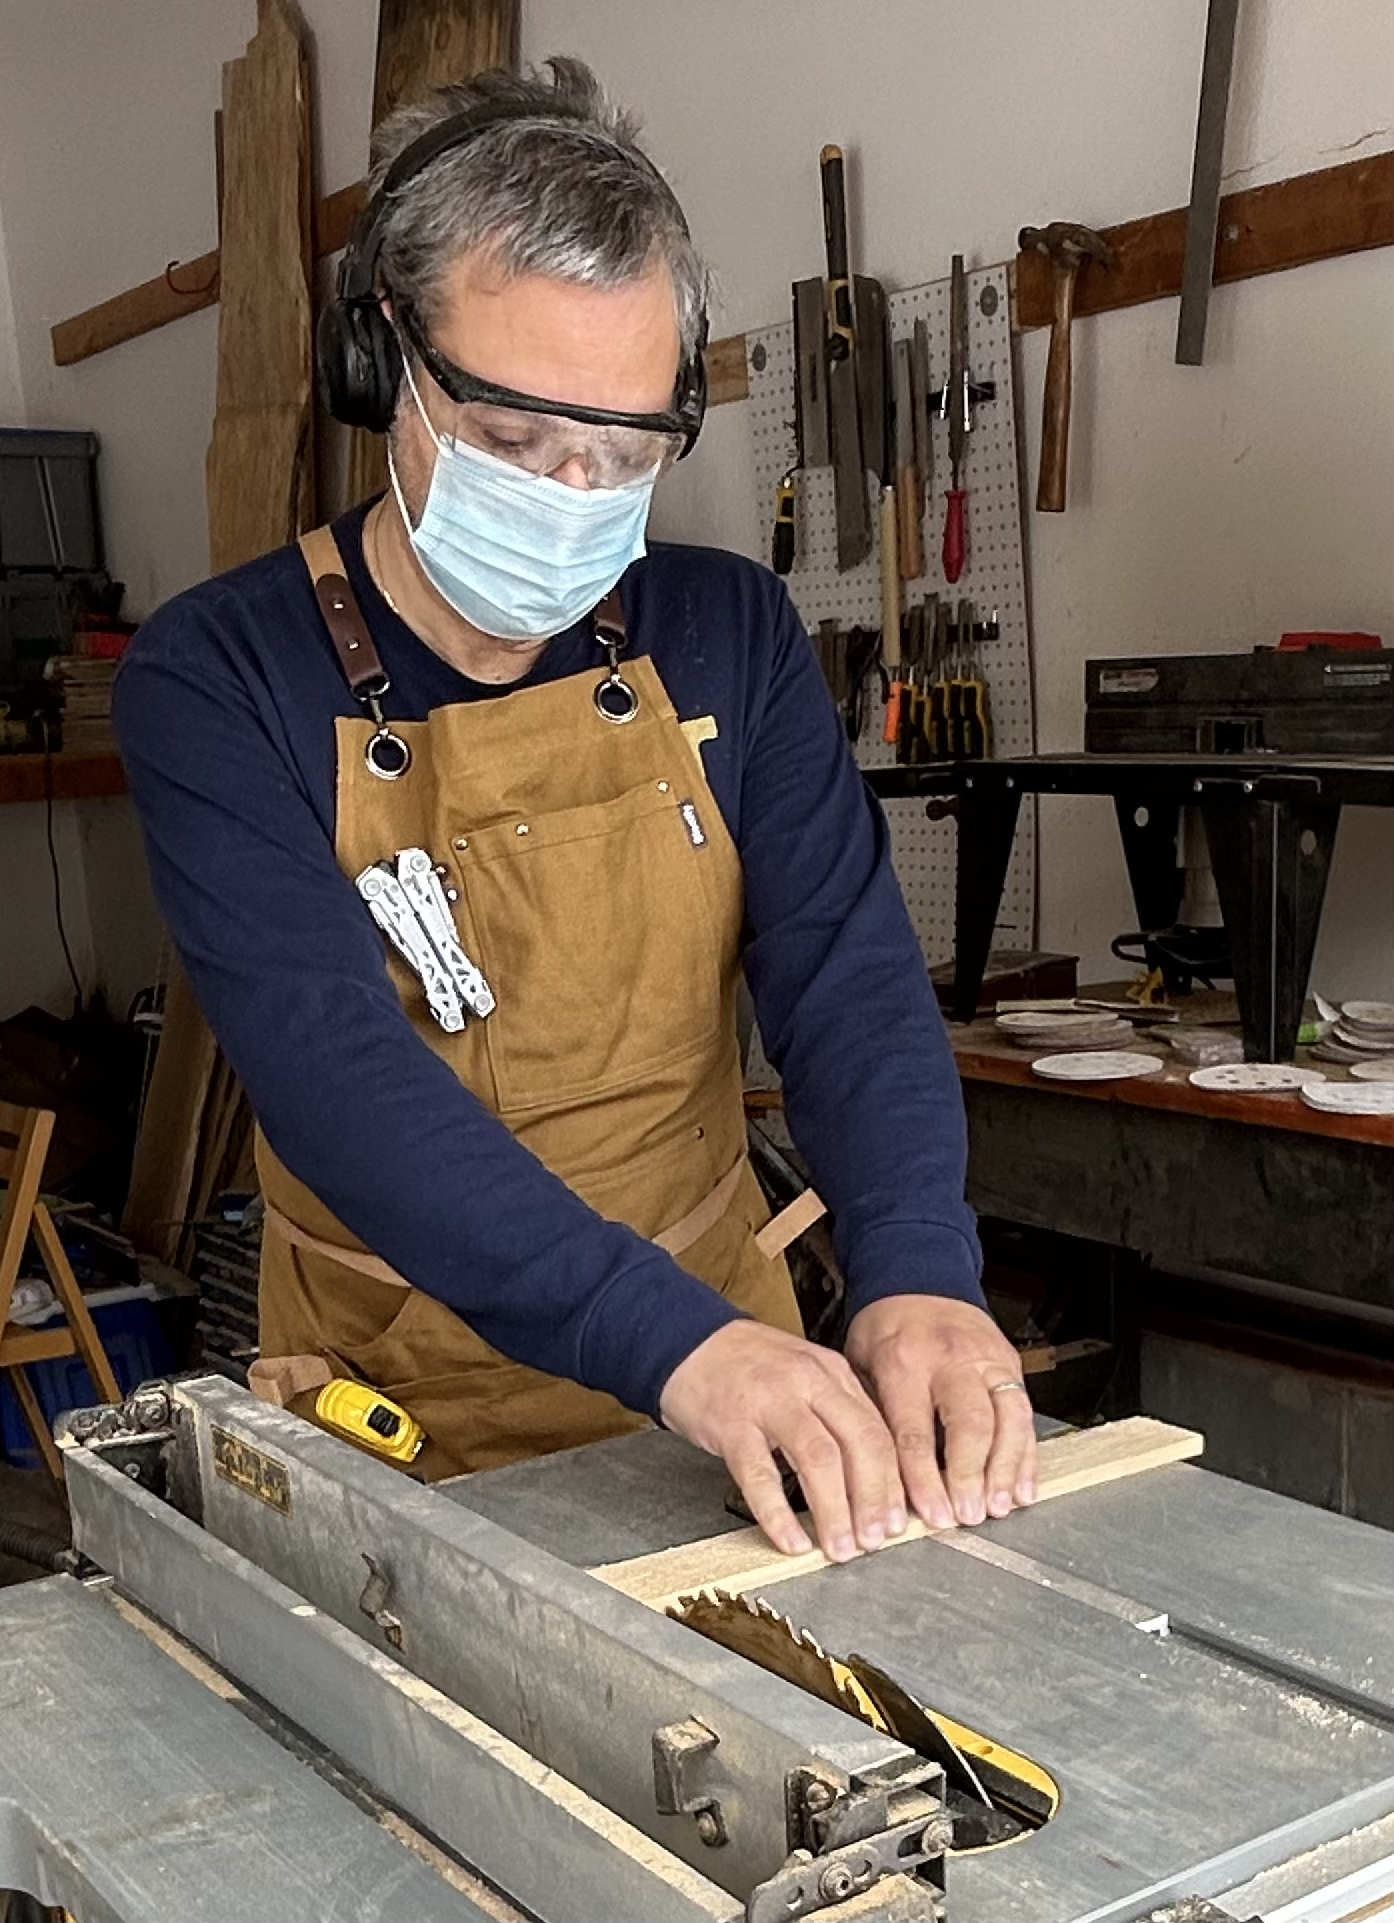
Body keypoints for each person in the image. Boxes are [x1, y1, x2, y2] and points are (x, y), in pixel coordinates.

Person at [114, 57, 1035, 1564]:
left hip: (731, 1403)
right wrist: (673, 1346)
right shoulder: (217, 677)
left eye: (619, 455)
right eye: (513, 442)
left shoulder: (727, 632)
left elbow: (848, 981)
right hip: (403, 1412)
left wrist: (918, 1269)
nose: (570, 495)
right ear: (382, 363)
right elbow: (335, 1076)